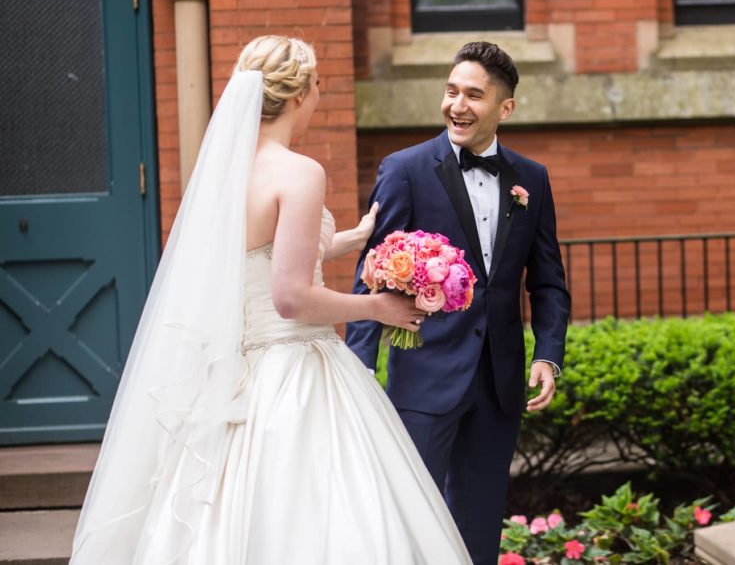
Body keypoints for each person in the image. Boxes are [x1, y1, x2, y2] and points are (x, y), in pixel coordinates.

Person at [71, 36, 471, 564]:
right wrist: (378, 307)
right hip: (295, 369)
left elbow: (256, 257)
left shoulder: (225, 173)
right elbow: (291, 297)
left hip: (241, 372)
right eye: (319, 86)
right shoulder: (300, 171)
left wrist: (349, 239)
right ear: (302, 92)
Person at [347, 41, 571, 564]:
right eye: (451, 91)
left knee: (479, 522)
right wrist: (359, 370)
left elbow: (548, 280)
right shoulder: (404, 169)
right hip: (424, 378)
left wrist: (548, 353)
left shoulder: (531, 179)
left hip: (499, 382)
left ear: (505, 108)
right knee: (411, 520)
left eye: (474, 95)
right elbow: (371, 277)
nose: (457, 105)